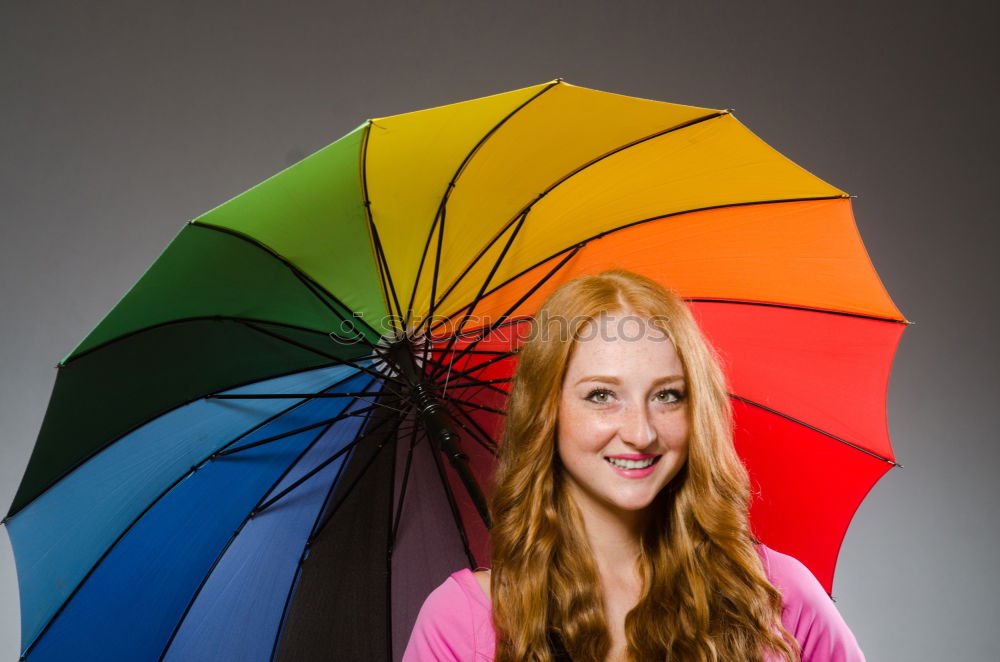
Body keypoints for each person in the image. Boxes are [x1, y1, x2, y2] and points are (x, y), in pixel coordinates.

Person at [403, 269, 865, 662]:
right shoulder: (463, 622)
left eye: (667, 395)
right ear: (547, 412)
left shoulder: (779, 596)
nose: (641, 433)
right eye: (601, 395)